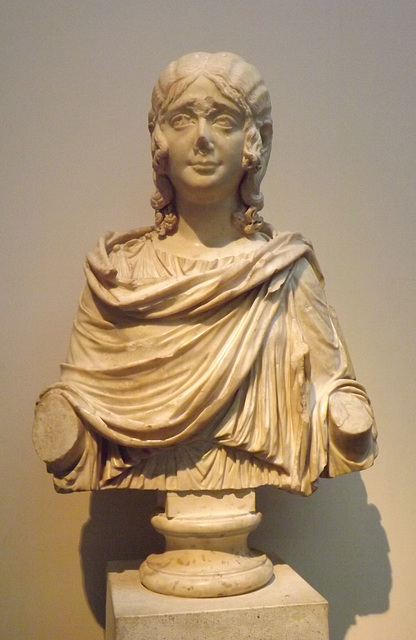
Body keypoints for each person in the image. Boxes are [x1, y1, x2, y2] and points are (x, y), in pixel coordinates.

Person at [33, 52, 377, 496]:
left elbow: (334, 394)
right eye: (181, 120)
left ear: (254, 144)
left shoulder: (285, 272)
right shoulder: (117, 279)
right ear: (159, 141)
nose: (202, 139)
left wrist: (345, 419)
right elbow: (80, 403)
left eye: (224, 121)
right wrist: (66, 423)